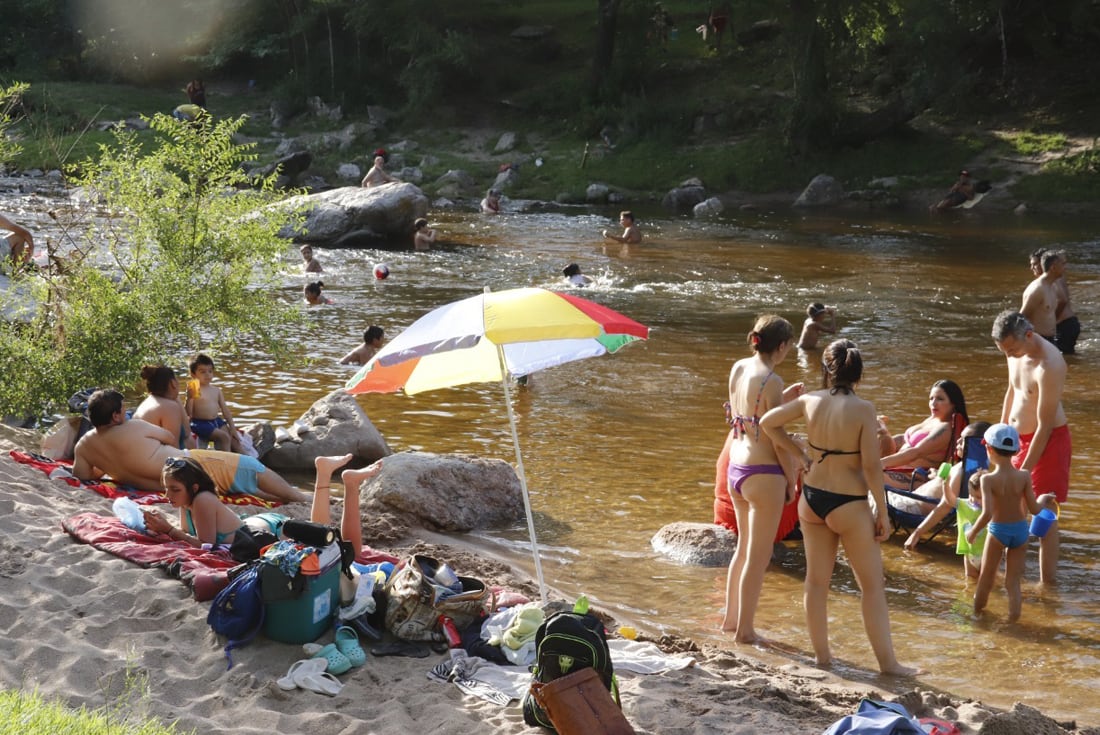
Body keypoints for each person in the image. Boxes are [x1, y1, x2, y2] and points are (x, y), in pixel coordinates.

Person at [760, 339, 918, 675]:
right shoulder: (863, 409)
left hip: (812, 497)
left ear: (827, 371)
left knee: (816, 583)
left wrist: (800, 453)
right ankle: (889, 665)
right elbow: (873, 468)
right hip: (849, 503)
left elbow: (767, 423)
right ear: (858, 375)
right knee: (872, 586)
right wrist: (883, 510)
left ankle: (822, 659)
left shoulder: (809, 400)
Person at [720, 315, 803, 643]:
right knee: (760, 555)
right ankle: (746, 631)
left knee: (743, 550)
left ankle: (730, 620)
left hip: (736, 469)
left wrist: (783, 402)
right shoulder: (773, 380)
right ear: (780, 346)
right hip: (763, 473)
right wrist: (793, 473)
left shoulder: (739, 367)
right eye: (789, 347)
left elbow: (747, 417)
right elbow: (774, 435)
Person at [72, 390, 306, 503]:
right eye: (123, 409)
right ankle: (301, 498)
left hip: (174, 485)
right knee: (251, 466)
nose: (126, 412)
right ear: (114, 417)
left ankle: (293, 496)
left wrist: (111, 465)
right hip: (190, 466)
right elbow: (168, 437)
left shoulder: (84, 445)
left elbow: (83, 475)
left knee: (243, 483)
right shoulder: (133, 427)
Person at [143, 453, 380, 554]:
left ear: (193, 488)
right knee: (331, 543)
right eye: (166, 488)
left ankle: (342, 482)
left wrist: (168, 530)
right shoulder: (188, 502)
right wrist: (166, 527)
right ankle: (328, 474)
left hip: (267, 531)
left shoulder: (203, 500)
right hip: (255, 526)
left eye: (174, 489)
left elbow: (205, 544)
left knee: (343, 550)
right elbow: (189, 534)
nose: (167, 495)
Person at [992, 310, 1069, 583]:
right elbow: (1011, 390)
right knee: (1011, 508)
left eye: (1012, 349)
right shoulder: (1012, 349)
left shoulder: (1050, 364)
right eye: (1005, 351)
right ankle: (1012, 576)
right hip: (1014, 439)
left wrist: (1021, 472)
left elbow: (1045, 426)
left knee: (1043, 513)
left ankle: (1047, 585)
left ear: (1028, 335)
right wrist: (999, 437)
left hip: (1047, 442)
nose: (1009, 355)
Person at [967, 424, 1049, 622]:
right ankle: (1013, 619)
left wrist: (973, 532)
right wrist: (1044, 498)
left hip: (998, 532)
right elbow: (1035, 509)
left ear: (989, 449)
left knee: (986, 579)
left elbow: (987, 513)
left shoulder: (987, 480)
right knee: (1012, 582)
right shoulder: (1024, 476)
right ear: (1015, 451)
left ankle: (975, 616)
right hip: (1021, 532)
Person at [901, 421, 992, 578]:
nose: (957, 441)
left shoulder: (959, 469)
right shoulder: (993, 471)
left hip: (915, 503)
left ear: (976, 446)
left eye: (963, 440)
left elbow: (945, 505)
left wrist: (917, 533)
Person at [879, 379, 969, 472]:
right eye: (931, 398)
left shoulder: (946, 429)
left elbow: (915, 453)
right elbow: (905, 439)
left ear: (953, 403)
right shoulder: (933, 419)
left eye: (940, 399)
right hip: (898, 466)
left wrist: (879, 463)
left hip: (916, 476)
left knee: (867, 476)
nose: (933, 404)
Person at [186, 353, 242, 453]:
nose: (207, 374)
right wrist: (189, 398)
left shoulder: (216, 390)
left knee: (234, 441)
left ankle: (252, 462)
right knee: (224, 437)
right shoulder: (195, 389)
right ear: (193, 374)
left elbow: (225, 410)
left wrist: (232, 428)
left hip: (216, 420)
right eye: (202, 372)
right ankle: (227, 463)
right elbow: (189, 413)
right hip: (199, 423)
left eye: (210, 371)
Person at [133, 365, 195, 450]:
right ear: (172, 383)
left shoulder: (151, 401)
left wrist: (177, 399)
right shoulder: (169, 406)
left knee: (189, 440)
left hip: (141, 454)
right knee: (189, 442)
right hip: (153, 458)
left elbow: (187, 432)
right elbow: (173, 447)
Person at [1020, 249, 1060, 341]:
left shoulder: (1053, 285)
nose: (1031, 268)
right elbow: (1021, 317)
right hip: (1038, 339)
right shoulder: (1036, 288)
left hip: (1051, 338)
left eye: (1035, 264)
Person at [1051, 250, 1080, 355]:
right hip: (1071, 323)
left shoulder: (1054, 278)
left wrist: (1052, 320)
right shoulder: (1061, 276)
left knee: (1061, 358)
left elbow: (1063, 300)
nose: (1065, 266)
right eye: (1063, 263)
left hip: (1065, 325)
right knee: (1069, 357)